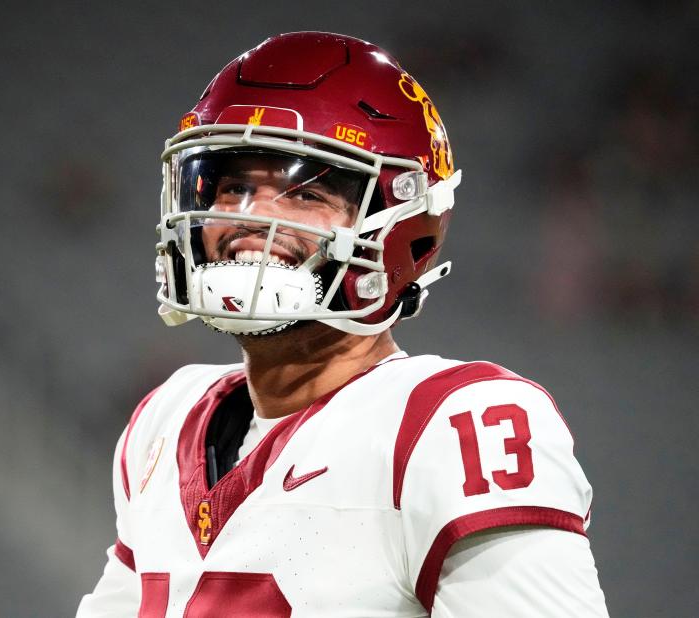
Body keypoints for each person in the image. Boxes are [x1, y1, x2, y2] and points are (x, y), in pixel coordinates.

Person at [78, 32, 608, 617]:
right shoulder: (165, 419)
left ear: (400, 226)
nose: (253, 219)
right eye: (234, 187)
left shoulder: (451, 427)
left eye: (304, 195)